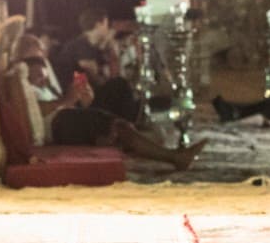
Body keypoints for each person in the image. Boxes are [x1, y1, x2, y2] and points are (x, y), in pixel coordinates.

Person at [12, 34, 205, 169]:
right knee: (117, 126)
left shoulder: (41, 81)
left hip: (63, 118)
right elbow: (34, 113)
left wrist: (81, 99)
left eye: (40, 59)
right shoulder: (19, 81)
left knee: (117, 119)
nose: (41, 64)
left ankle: (164, 150)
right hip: (57, 124)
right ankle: (174, 156)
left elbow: (59, 102)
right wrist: (67, 99)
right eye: (34, 60)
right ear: (22, 59)